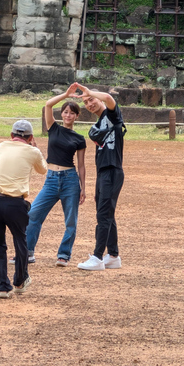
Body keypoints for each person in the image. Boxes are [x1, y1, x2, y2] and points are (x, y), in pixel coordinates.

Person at [23, 85, 87, 267]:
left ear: (76, 116)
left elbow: (81, 165)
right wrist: (66, 95)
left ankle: (64, 255)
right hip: (51, 179)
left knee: (71, 221)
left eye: (72, 113)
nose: (68, 115)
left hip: (70, 180)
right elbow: (48, 105)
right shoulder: (53, 128)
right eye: (65, 112)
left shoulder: (79, 139)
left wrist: (84, 187)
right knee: (33, 214)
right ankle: (28, 252)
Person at [0, 119, 47, 299]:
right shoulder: (32, 151)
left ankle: (2, 287)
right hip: (14, 203)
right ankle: (19, 280)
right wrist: (35, 148)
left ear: (11, 135)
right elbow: (43, 170)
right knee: (20, 240)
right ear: (30, 137)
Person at [75, 83, 126, 271]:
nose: (89, 103)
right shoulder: (97, 124)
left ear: (98, 98)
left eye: (91, 100)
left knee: (103, 214)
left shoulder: (111, 115)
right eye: (86, 102)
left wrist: (90, 92)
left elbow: (110, 99)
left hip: (112, 170)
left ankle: (97, 257)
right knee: (106, 212)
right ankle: (113, 256)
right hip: (103, 171)